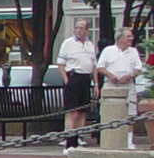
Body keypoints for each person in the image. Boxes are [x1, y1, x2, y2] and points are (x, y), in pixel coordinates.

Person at [97, 27, 144, 149]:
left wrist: (131, 75)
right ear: (120, 38)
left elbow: (138, 67)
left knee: (130, 113)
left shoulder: (133, 51)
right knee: (109, 112)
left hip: (128, 85)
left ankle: (129, 141)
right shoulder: (108, 50)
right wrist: (110, 75)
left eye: (131, 36)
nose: (131, 39)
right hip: (111, 85)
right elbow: (100, 67)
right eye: (128, 36)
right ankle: (109, 138)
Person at [57, 17, 97, 148]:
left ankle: (79, 136)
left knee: (82, 111)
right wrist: (67, 81)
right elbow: (61, 64)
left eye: (81, 28)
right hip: (73, 77)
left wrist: (96, 84)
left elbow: (94, 66)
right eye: (77, 27)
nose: (78, 30)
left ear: (87, 30)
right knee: (72, 111)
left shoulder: (90, 45)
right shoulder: (67, 43)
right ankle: (69, 141)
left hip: (86, 79)